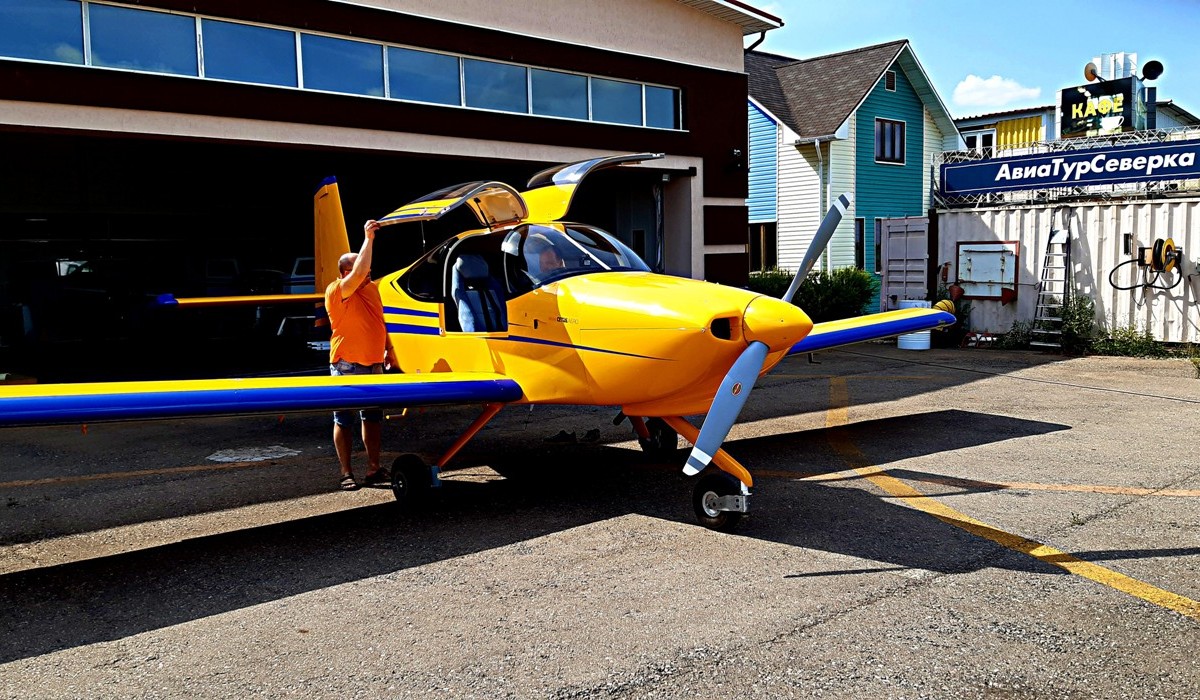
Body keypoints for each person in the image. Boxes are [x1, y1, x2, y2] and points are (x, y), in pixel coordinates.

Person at [325, 219, 397, 491]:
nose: (368, 274)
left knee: (373, 418)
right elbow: (360, 272)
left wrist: (389, 349)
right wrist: (368, 238)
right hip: (346, 364)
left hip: (374, 362)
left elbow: (378, 320)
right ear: (346, 272)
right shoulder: (337, 290)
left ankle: (373, 468)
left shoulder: (370, 288)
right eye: (361, 270)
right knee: (343, 419)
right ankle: (346, 472)